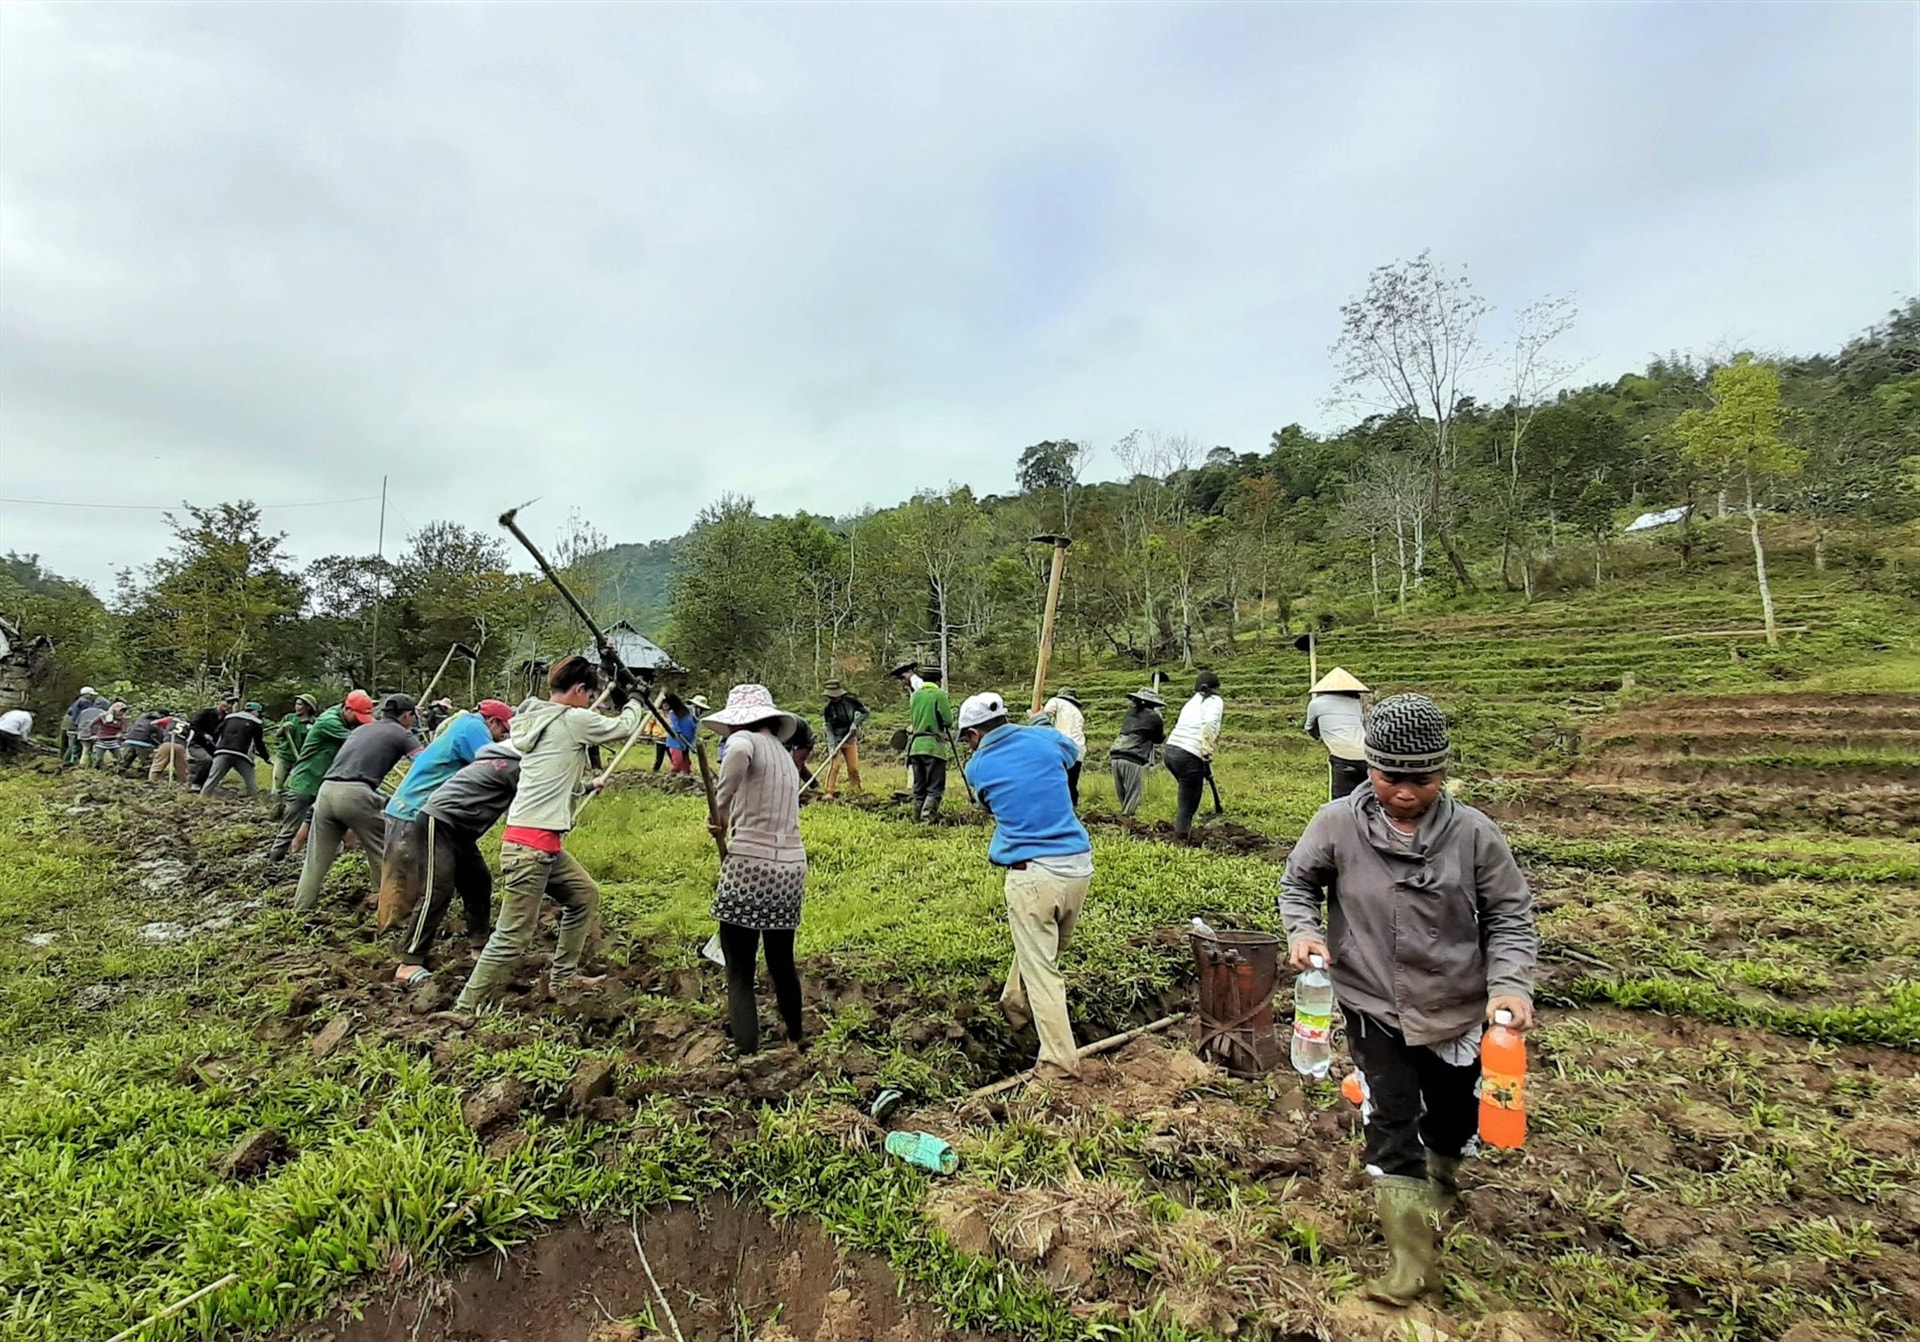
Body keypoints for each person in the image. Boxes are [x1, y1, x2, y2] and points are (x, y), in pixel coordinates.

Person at [1278, 693, 1537, 1306]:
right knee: (1390, 1119)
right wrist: (1305, 930)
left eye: (1421, 779)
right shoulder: (1337, 823)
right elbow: (1298, 883)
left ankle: (1445, 1174)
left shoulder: (1474, 833)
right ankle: (1411, 1261)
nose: (1405, 791)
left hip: (1455, 1005)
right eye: (1391, 777)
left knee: (1452, 1115)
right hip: (1372, 1001)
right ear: (1370, 769)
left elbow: (1510, 914)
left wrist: (1509, 984)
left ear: (1442, 773)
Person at [453, 656, 649, 1012]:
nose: (591, 703)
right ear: (578, 691)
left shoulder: (535, 718)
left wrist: (586, 785)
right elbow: (623, 727)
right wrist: (636, 699)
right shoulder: (571, 719)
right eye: (589, 696)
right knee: (512, 937)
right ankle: (465, 1007)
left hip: (538, 843)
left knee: (583, 896)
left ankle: (562, 978)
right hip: (530, 850)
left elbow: (550, 778)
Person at [958, 691, 1092, 1082]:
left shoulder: (978, 767)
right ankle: (1014, 1002)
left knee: (1043, 970)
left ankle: (1059, 1064)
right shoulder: (1045, 740)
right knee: (1042, 950)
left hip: (1033, 876)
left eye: (967, 737)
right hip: (1078, 868)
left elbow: (987, 803)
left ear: (975, 734)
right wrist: (1041, 726)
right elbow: (1071, 754)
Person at [701, 683, 808, 1055]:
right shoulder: (783, 754)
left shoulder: (742, 742)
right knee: (782, 961)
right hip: (791, 868)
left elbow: (740, 753)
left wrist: (721, 808)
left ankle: (747, 1051)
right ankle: (795, 1036)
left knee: (739, 969)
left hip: (749, 866)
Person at [378, 699, 514, 984]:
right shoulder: (474, 729)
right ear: (493, 722)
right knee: (429, 886)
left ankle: (479, 946)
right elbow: (495, 763)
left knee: (477, 879)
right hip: (421, 810)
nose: (505, 737)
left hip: (450, 821)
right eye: (504, 730)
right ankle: (406, 959)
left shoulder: (462, 723)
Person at [292, 693, 421, 913]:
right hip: (355, 794)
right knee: (385, 849)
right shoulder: (403, 734)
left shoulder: (359, 731)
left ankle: (300, 909)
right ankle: (389, 908)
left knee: (316, 859)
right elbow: (424, 764)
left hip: (326, 791)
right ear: (407, 716)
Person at [269, 691, 375, 863]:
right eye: (357, 716)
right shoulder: (329, 722)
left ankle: (337, 859)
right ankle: (273, 863)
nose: (358, 721)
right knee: (290, 829)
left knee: (335, 823)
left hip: (324, 784)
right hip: (306, 782)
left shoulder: (343, 717)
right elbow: (357, 741)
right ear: (347, 709)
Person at [1163, 671, 1224, 842]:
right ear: (1216, 688)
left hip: (1171, 751)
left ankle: (1183, 829)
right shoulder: (1215, 701)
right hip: (1189, 753)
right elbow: (1209, 726)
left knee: (1187, 790)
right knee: (1189, 803)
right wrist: (1206, 751)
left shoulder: (1191, 702)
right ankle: (1182, 838)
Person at [1306, 668, 1371, 800]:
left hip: (1341, 757)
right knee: (1367, 797)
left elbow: (1310, 727)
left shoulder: (1316, 703)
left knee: (1340, 800)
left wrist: (1319, 736)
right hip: (1367, 755)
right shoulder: (1357, 703)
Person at [1109, 689, 1166, 818]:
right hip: (1132, 757)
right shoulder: (1154, 717)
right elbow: (1159, 739)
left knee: (1122, 794)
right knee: (1133, 794)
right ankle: (1126, 822)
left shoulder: (1130, 713)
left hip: (1115, 754)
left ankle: (1121, 821)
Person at [907, 667, 953, 822]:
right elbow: (948, 720)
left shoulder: (915, 696)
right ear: (938, 681)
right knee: (935, 787)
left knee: (919, 787)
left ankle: (915, 818)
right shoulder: (939, 695)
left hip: (915, 747)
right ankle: (927, 820)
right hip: (933, 747)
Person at [200, 702, 271, 795]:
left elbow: (217, 732)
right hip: (242, 755)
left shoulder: (229, 718)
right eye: (259, 713)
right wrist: (266, 758)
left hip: (222, 752)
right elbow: (259, 743)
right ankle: (256, 800)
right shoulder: (256, 723)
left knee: (212, 779)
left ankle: (203, 797)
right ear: (255, 712)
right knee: (251, 783)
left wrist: (216, 748)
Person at [1036, 689, 1086, 808]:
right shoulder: (1078, 713)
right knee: (1071, 783)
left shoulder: (1056, 701)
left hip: (1063, 747)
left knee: (1056, 781)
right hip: (1079, 751)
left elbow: (1046, 713)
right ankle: (1073, 809)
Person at [820, 680, 868, 797]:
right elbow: (829, 728)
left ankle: (856, 790)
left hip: (850, 738)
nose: (833, 699)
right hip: (836, 740)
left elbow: (865, 712)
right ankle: (829, 792)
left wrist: (855, 723)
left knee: (853, 768)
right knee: (835, 766)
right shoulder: (828, 709)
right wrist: (832, 746)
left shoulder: (851, 701)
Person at [270, 695, 320, 802]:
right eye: (296, 704)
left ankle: (289, 808)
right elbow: (277, 734)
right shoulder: (289, 718)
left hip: (302, 760)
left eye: (300, 704)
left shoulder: (314, 723)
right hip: (284, 756)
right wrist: (283, 728)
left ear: (308, 707)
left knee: (294, 787)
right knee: (277, 783)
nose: (297, 707)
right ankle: (274, 806)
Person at [184, 700, 229, 789]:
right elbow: (193, 725)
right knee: (207, 760)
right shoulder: (206, 712)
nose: (228, 706)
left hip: (213, 746)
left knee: (221, 762)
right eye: (227, 703)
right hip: (197, 744)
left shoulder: (226, 718)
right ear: (220, 702)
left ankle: (208, 784)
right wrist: (204, 734)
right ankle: (196, 783)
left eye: (231, 704)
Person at [121, 709, 168, 775]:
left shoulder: (140, 718)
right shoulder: (158, 722)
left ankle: (118, 774)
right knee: (147, 763)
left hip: (129, 740)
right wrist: (158, 744)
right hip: (144, 743)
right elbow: (160, 735)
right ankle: (146, 776)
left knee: (125, 762)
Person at [61, 688, 99, 765]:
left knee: (71, 745)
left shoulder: (78, 702)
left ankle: (66, 760)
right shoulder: (85, 703)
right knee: (75, 746)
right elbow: (84, 716)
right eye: (91, 695)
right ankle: (69, 762)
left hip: (70, 725)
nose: (93, 697)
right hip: (76, 727)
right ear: (87, 695)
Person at [88, 702, 130, 770]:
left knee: (119, 758)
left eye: (123, 711)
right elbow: (91, 724)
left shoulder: (123, 719)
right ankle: (94, 770)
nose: (121, 713)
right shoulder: (103, 716)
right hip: (101, 740)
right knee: (98, 759)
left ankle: (119, 770)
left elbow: (123, 730)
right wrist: (93, 734)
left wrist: (120, 734)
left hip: (113, 741)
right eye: (120, 711)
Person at [149, 716, 190, 784]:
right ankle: (183, 782)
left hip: (167, 743)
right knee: (182, 767)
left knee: (158, 763)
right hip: (180, 745)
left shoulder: (170, 719)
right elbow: (189, 739)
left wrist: (163, 730)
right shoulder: (189, 725)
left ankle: (152, 780)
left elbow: (153, 723)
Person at [666, 693, 699, 774]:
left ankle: (685, 781)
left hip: (688, 740)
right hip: (676, 741)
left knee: (686, 766)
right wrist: (688, 744)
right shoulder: (673, 713)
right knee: (677, 763)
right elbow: (677, 731)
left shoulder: (690, 711)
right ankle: (672, 780)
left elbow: (694, 728)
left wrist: (692, 744)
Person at [73, 696, 108, 770]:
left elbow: (76, 722)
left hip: (83, 733)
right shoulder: (103, 713)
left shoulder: (84, 711)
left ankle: (82, 766)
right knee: (96, 750)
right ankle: (96, 766)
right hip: (97, 735)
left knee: (85, 749)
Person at [787, 714, 817, 786]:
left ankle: (793, 787)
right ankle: (813, 783)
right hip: (796, 739)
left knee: (794, 763)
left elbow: (787, 743)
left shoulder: (788, 722)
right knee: (797, 763)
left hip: (807, 740)